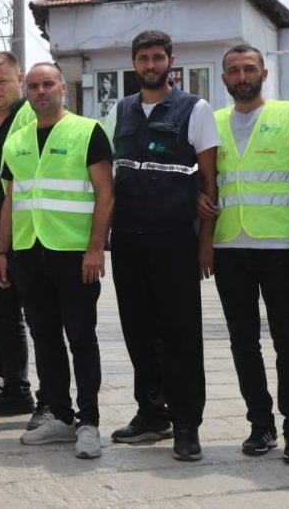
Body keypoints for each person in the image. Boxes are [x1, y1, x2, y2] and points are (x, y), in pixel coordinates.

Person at [105, 30, 218, 462]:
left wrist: (203, 244)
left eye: (157, 58)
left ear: (172, 60)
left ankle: (187, 424)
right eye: (143, 58)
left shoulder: (195, 109)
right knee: (138, 330)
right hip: (129, 241)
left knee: (181, 334)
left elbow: (209, 185)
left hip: (174, 240)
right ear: (134, 63)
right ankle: (152, 414)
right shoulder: (122, 110)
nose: (150, 65)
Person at [0, 63, 113, 458]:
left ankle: (89, 422)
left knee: (80, 336)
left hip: (74, 253)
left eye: (48, 84)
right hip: (29, 252)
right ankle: (60, 416)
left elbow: (105, 193)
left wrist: (95, 249)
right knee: (45, 337)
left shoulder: (87, 131)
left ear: (62, 87)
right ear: (25, 92)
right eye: (33, 86)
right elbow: (11, 199)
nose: (41, 91)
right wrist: (1, 252)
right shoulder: (18, 139)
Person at [209, 44, 289, 465]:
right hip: (231, 247)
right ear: (224, 78)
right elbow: (208, 189)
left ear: (264, 73)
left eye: (249, 69)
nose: (242, 76)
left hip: (281, 247)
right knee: (242, 342)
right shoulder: (213, 124)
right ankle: (259, 424)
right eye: (233, 70)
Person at [0, 52, 44, 425]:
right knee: (2, 317)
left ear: (19, 77)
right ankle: (16, 389)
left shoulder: (32, 116)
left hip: (26, 233)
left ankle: (51, 399)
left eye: (2, 81)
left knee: (38, 318)